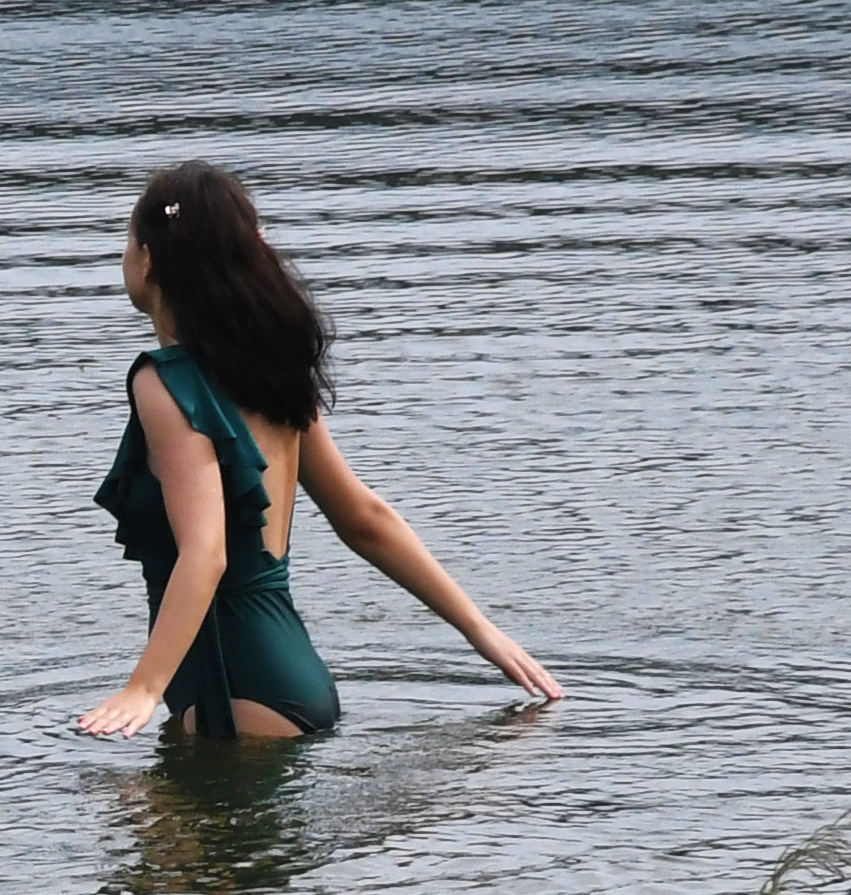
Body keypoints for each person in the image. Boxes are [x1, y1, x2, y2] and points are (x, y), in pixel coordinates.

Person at [79, 162, 560, 742]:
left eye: (127, 242)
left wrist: (145, 687)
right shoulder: (268, 371)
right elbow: (364, 519)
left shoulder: (163, 382)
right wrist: (480, 629)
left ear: (149, 258)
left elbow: (205, 553)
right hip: (292, 681)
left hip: (238, 693)